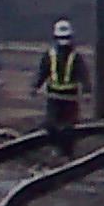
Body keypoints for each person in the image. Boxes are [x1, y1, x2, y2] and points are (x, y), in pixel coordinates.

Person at [34, 18, 90, 159]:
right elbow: (43, 72)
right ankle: (57, 149)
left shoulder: (75, 57)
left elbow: (83, 74)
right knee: (52, 124)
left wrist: (87, 90)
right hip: (54, 96)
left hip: (70, 96)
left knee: (68, 126)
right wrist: (35, 86)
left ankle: (67, 151)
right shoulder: (50, 55)